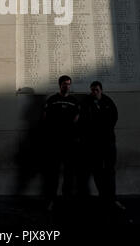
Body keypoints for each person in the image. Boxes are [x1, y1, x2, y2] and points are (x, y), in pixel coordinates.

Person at [78, 81, 120, 208]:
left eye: (96, 89)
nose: (94, 92)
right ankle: (103, 196)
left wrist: (104, 129)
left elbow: (114, 117)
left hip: (108, 142)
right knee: (97, 170)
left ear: (101, 90)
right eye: (92, 90)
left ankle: (111, 198)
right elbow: (83, 120)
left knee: (110, 171)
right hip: (93, 144)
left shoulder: (108, 101)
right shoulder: (87, 102)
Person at [42, 75, 79, 209]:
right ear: (60, 85)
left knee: (69, 173)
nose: (67, 86)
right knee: (53, 173)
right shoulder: (52, 100)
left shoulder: (74, 101)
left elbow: (77, 118)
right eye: (64, 84)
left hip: (69, 143)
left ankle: (66, 199)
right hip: (55, 142)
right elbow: (46, 119)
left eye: (69, 84)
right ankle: (51, 199)